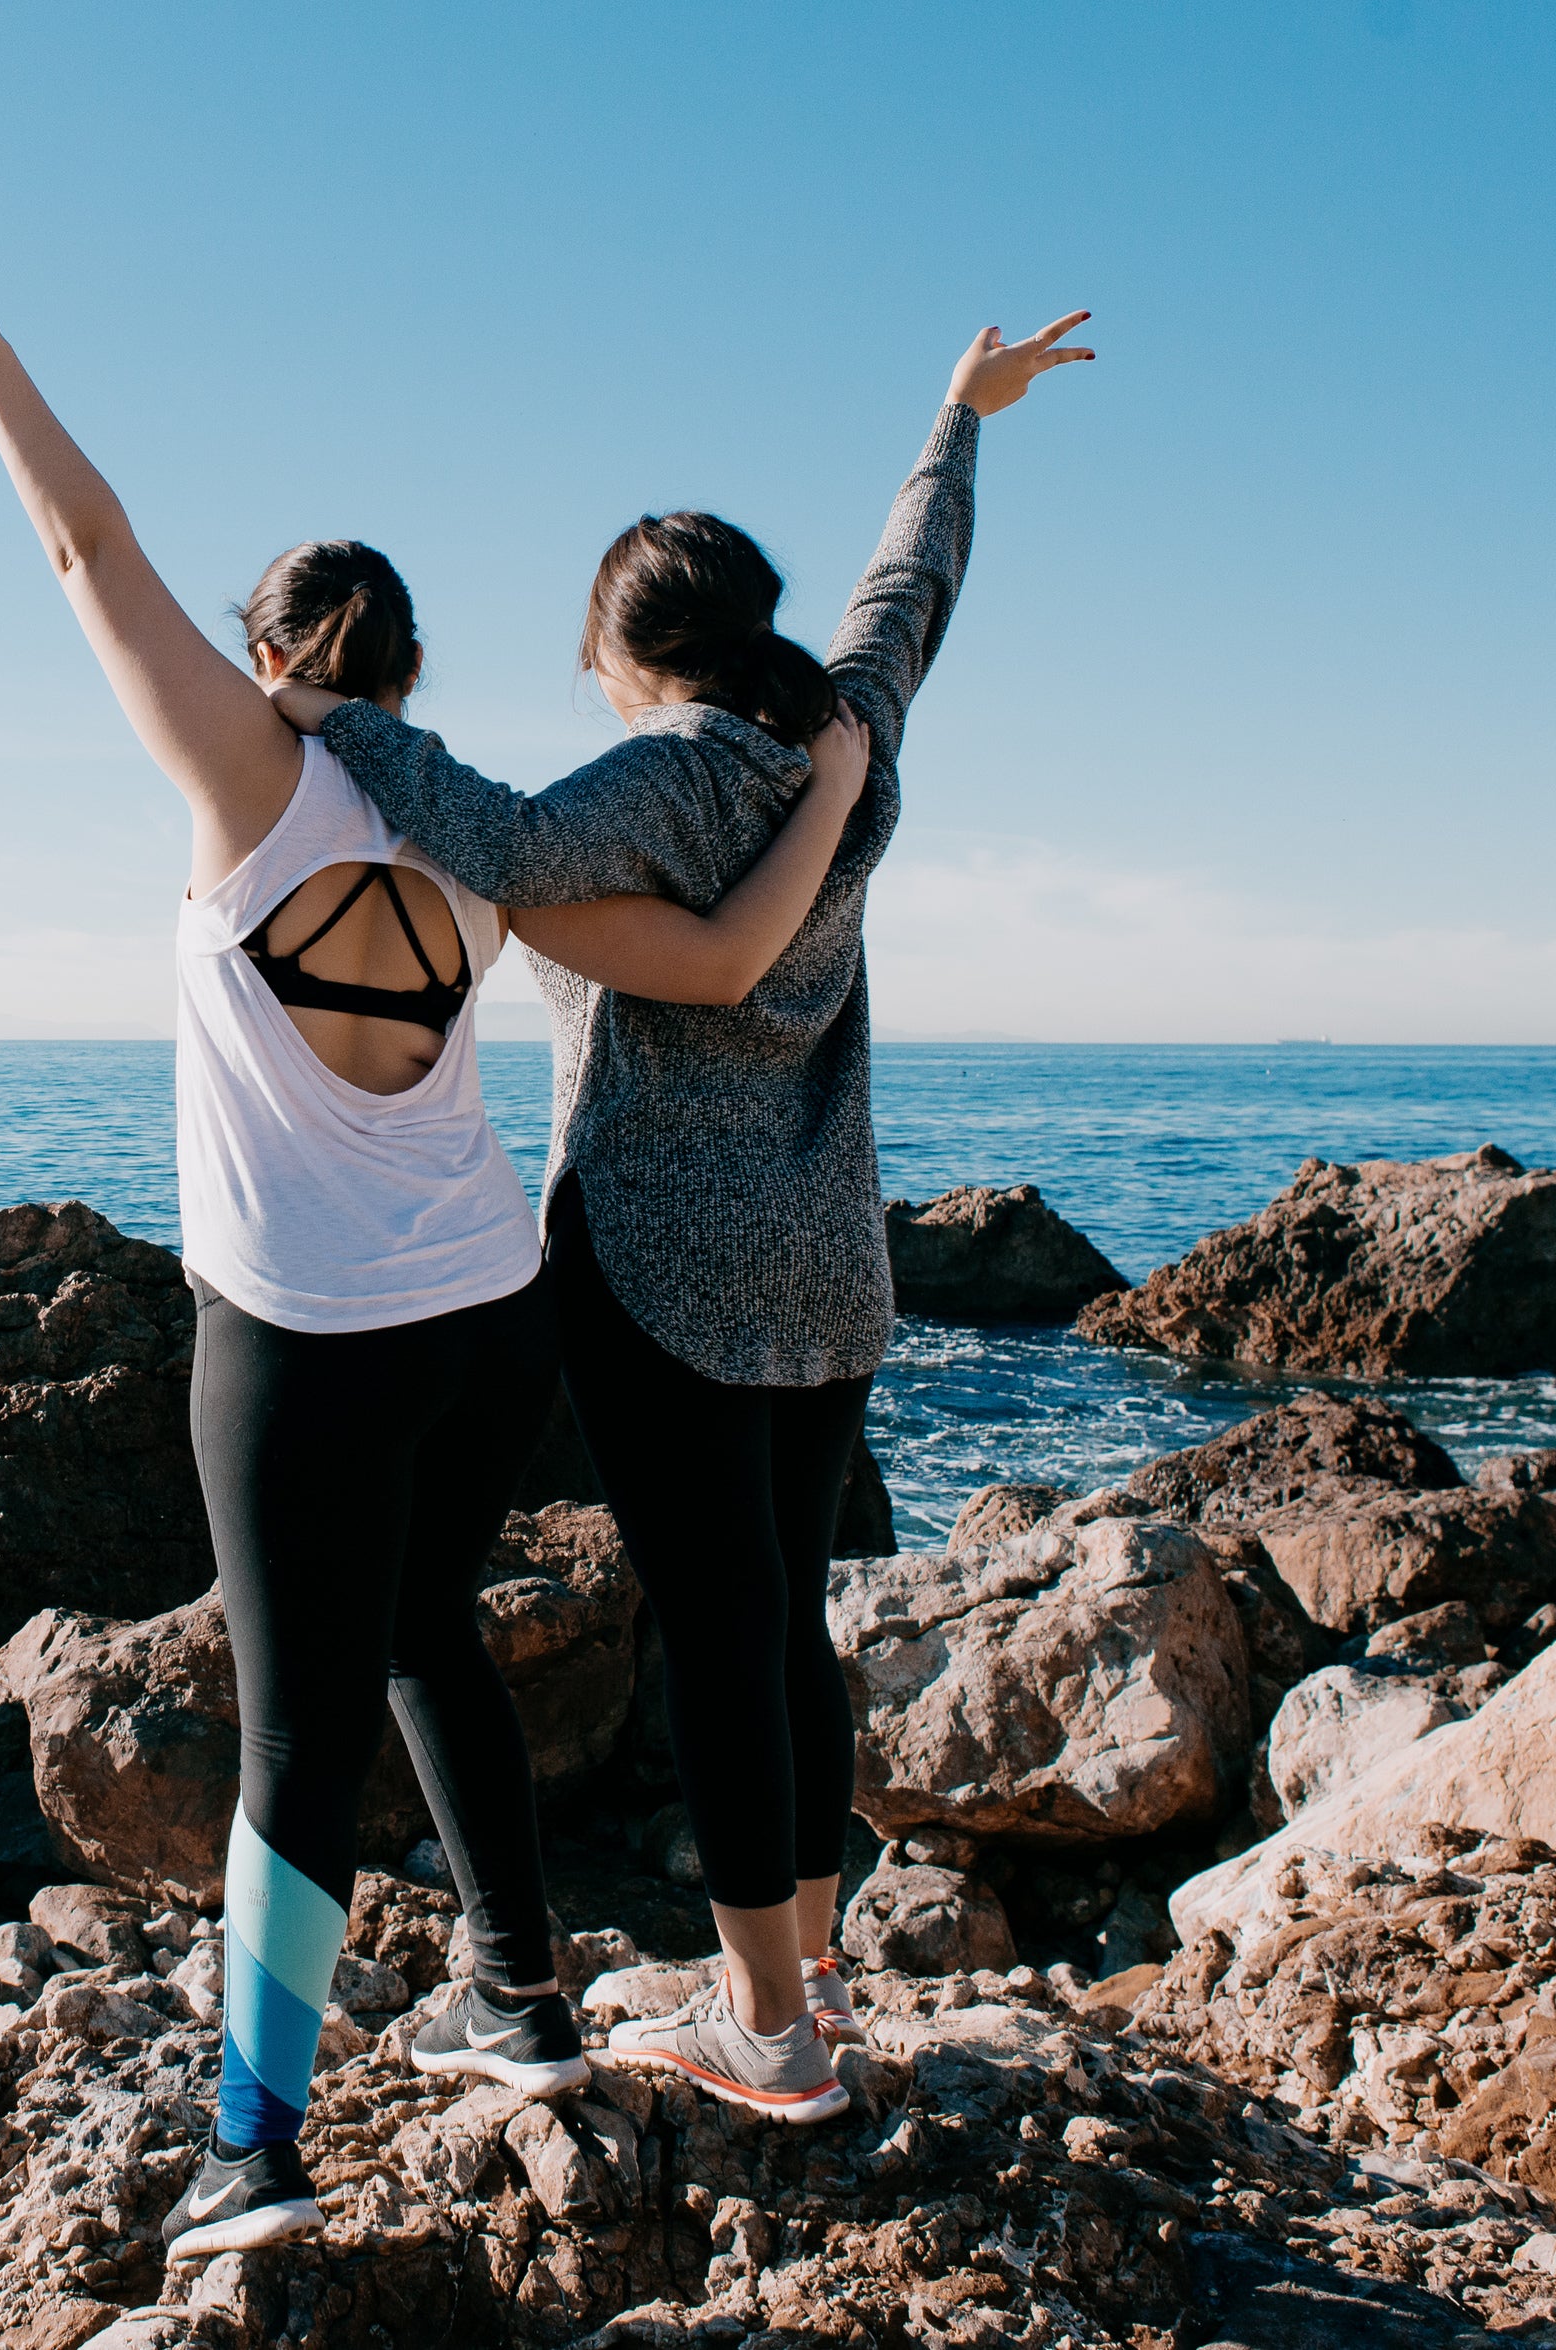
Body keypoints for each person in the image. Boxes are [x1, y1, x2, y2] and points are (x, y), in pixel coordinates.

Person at [0, 177, 873, 2255]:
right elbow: (704, 951)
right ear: (417, 658)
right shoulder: (475, 828)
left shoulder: (252, 780)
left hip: (308, 1335)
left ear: (269, 659)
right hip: (491, 1318)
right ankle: (516, 1992)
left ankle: (252, 2144)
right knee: (430, 1630)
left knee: (294, 1727)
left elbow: (86, 549)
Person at [263, 312, 1094, 2124]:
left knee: (714, 1633)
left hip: (656, 1262)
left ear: (623, 650)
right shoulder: (844, 729)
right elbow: (910, 587)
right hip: (830, 1254)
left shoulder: (665, 774)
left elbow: (487, 837)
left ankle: (772, 2032)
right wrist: (957, 413)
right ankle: (800, 1969)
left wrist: (331, 721)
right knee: (783, 1615)